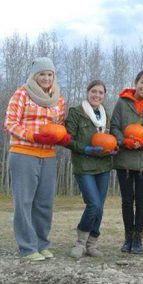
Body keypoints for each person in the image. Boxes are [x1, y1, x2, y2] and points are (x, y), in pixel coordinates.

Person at [4, 57, 69, 261]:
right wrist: (33, 136)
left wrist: (62, 137)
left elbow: (58, 124)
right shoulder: (22, 93)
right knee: (24, 202)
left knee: (44, 203)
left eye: (50, 74)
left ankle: (42, 244)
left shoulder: (58, 98)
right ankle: (27, 248)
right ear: (34, 76)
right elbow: (10, 123)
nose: (46, 78)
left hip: (48, 156)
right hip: (23, 153)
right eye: (42, 74)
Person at [110, 71, 143, 254]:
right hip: (124, 158)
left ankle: (138, 239)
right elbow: (114, 126)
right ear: (136, 82)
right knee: (126, 200)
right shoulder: (122, 103)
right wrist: (122, 140)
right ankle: (128, 238)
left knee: (140, 200)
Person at [65, 80, 115, 259]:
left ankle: (92, 243)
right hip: (84, 165)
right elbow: (67, 139)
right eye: (94, 91)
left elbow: (109, 138)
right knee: (93, 204)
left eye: (101, 93)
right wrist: (85, 148)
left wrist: (113, 149)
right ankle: (80, 243)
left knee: (99, 207)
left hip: (103, 165)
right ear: (87, 92)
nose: (97, 95)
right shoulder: (76, 113)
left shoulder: (105, 115)